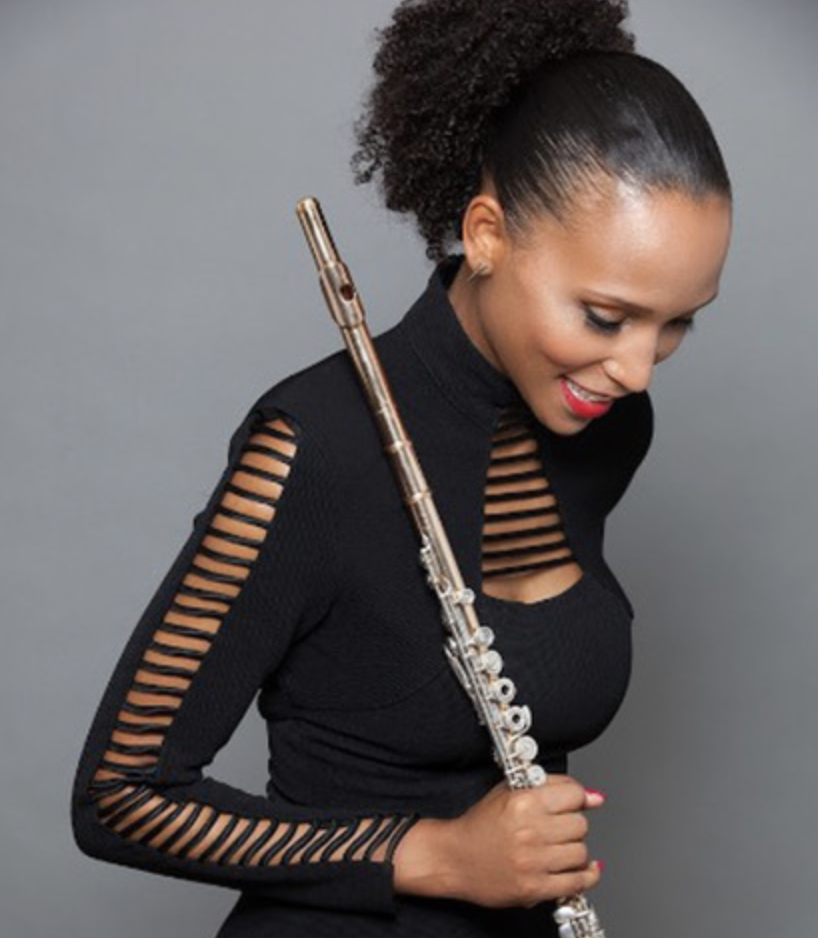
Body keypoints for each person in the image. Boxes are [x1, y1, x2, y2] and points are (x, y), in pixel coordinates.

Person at [70, 0, 732, 935]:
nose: (636, 369)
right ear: (488, 234)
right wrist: (437, 855)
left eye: (677, 324)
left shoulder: (605, 431)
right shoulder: (313, 450)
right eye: (605, 316)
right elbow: (120, 794)